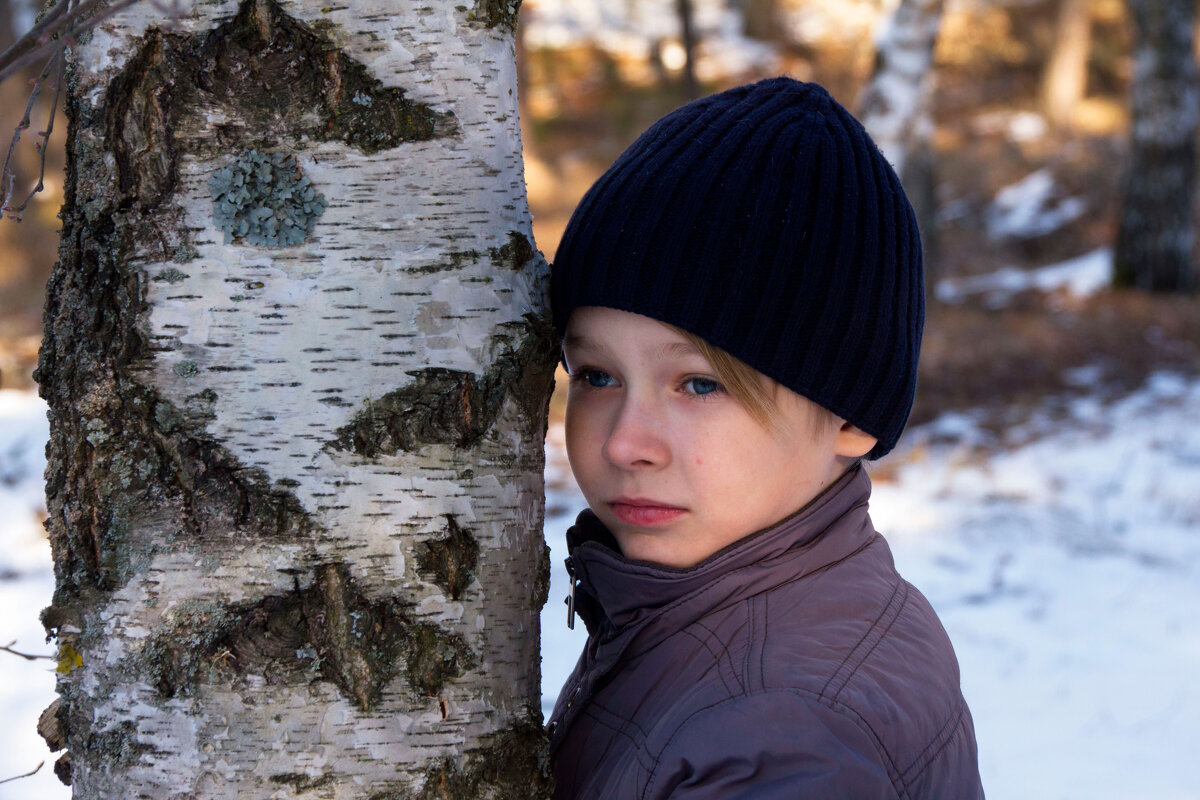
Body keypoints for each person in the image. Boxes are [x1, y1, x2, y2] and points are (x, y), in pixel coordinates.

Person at [545, 77, 985, 799]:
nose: (626, 444)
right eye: (597, 375)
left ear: (848, 415)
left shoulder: (783, 743)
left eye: (700, 384)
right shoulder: (699, 611)